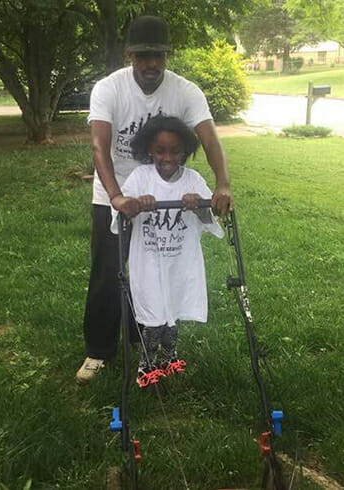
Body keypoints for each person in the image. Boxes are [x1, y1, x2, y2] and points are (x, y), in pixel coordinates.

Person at [76, 15, 233, 385]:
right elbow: (99, 144)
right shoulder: (109, 89)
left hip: (164, 196)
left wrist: (222, 184)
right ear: (130, 54)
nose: (152, 64)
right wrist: (115, 196)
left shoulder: (185, 91)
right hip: (116, 195)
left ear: (167, 55)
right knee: (107, 272)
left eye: (159, 55)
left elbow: (210, 140)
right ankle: (98, 350)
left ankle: (141, 338)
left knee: (156, 265)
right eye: (144, 55)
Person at [111, 115, 224, 388]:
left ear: (184, 151)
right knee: (153, 313)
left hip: (180, 262)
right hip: (147, 261)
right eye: (160, 150)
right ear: (149, 149)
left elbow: (211, 222)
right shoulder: (140, 178)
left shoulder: (193, 180)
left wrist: (199, 205)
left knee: (172, 308)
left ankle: (170, 357)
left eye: (175, 151)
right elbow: (120, 218)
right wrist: (134, 203)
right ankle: (147, 364)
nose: (167, 157)